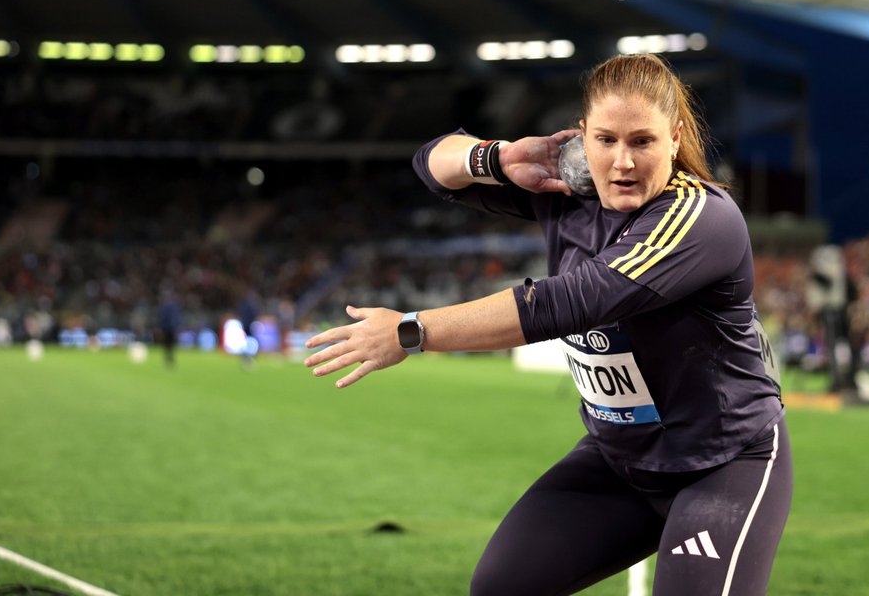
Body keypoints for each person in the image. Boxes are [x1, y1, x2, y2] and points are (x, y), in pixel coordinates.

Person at [304, 53, 792, 595]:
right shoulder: (566, 195)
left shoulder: (702, 217)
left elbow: (574, 301)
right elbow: (432, 164)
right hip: (620, 461)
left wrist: (410, 331)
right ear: (582, 136)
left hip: (723, 462)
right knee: (498, 588)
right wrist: (501, 157)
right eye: (605, 140)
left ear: (675, 138)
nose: (622, 162)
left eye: (642, 141)